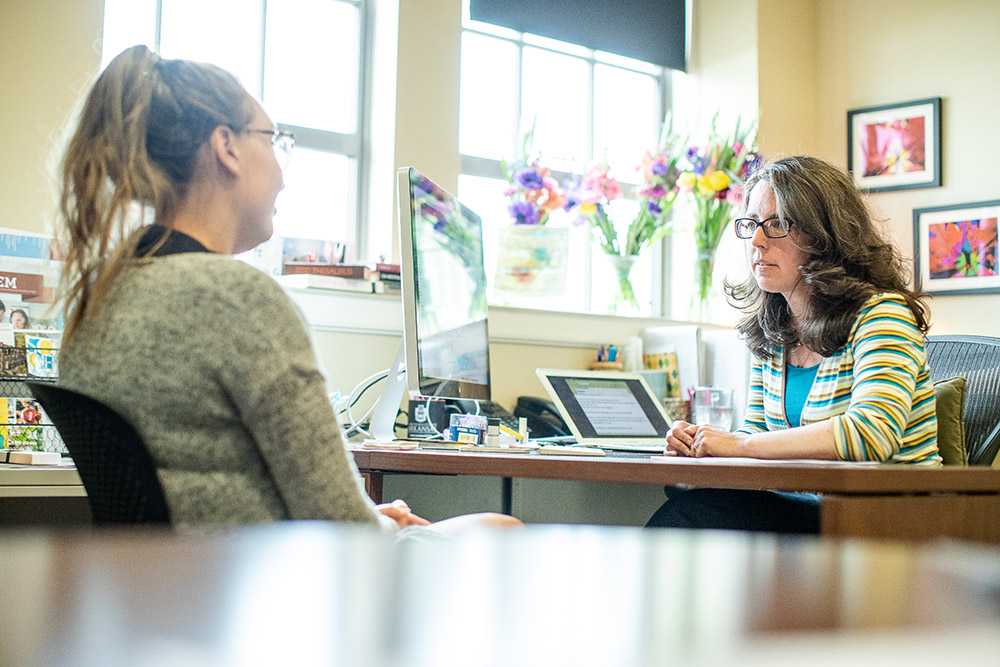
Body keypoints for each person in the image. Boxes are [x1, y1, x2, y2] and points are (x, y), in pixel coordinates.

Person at [55, 45, 520, 533]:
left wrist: (371, 518)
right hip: (273, 586)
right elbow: (347, 530)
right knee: (502, 528)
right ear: (226, 148)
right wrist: (384, 524)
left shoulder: (95, 297)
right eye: (274, 141)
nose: (282, 173)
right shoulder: (238, 299)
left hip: (170, 589)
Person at [646, 155, 940, 533]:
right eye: (751, 224)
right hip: (814, 507)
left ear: (823, 236)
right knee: (690, 499)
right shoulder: (774, 329)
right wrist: (701, 445)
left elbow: (871, 434)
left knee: (696, 514)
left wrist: (738, 447)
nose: (755, 240)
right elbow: (755, 435)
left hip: (889, 518)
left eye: (777, 224)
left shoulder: (882, 313)